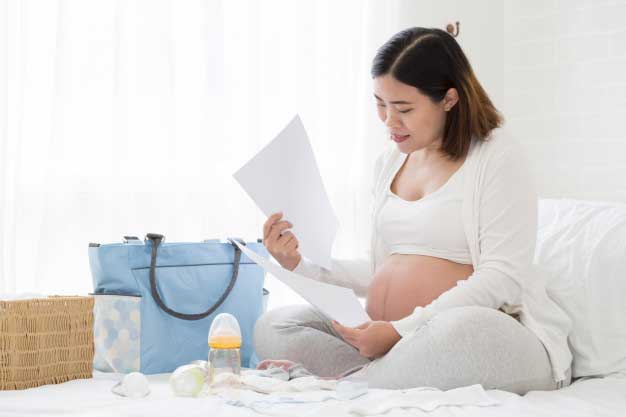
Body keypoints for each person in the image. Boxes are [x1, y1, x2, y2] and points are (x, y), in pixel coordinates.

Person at [253, 27, 573, 394]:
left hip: (479, 335)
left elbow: (501, 278)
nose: (389, 121)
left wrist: (400, 330)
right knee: (276, 325)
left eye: (404, 108)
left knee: (454, 331)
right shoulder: (390, 161)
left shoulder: (496, 156)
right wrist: (299, 266)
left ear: (449, 99)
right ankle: (378, 379)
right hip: (397, 345)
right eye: (380, 103)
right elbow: (381, 270)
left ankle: (362, 382)